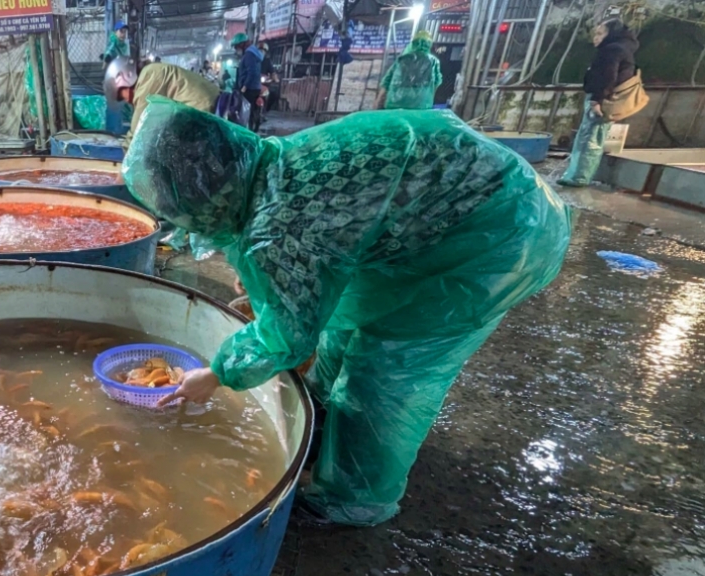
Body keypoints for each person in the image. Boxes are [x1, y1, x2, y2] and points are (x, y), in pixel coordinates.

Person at [123, 98, 571, 527]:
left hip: (499, 236)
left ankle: (354, 498)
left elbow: (287, 335)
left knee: (384, 367)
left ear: (203, 198)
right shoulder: (272, 164)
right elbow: (310, 273)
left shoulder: (279, 225)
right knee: (342, 322)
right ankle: (324, 419)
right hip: (465, 205)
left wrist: (215, 374)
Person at [560, 19, 639, 187]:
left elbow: (607, 77)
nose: (595, 38)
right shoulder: (623, 49)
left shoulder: (612, 50)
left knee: (590, 139)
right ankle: (577, 174)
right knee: (591, 137)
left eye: (600, 33)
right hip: (609, 99)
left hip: (602, 99)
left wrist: (597, 100)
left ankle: (578, 178)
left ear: (611, 34)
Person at [106, 58, 220, 147]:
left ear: (127, 79)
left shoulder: (148, 78)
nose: (126, 100)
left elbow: (138, 132)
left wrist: (123, 170)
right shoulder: (151, 73)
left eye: (122, 96)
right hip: (210, 112)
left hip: (212, 112)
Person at [375, 30, 442, 110]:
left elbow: (386, 81)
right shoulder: (433, 61)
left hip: (395, 103)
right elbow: (436, 83)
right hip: (420, 105)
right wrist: (429, 100)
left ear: (413, 43)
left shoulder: (402, 59)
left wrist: (377, 102)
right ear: (429, 44)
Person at [232, 33, 264, 132]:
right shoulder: (252, 53)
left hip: (249, 88)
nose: (236, 49)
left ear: (242, 44)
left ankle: (248, 132)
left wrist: (245, 86)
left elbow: (252, 71)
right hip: (255, 87)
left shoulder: (249, 54)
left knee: (246, 112)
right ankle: (251, 130)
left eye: (237, 46)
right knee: (250, 111)